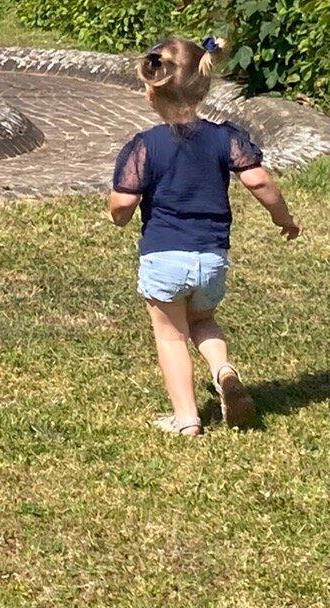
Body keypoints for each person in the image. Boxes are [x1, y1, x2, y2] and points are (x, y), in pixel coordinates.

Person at [110, 35, 300, 436]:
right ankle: (223, 370)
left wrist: (120, 216)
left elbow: (123, 202)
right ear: (203, 86)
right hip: (211, 259)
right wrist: (283, 218)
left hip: (164, 257)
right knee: (204, 320)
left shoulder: (145, 146)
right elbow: (259, 181)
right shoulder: (225, 137)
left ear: (151, 93)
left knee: (171, 335)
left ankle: (187, 419)